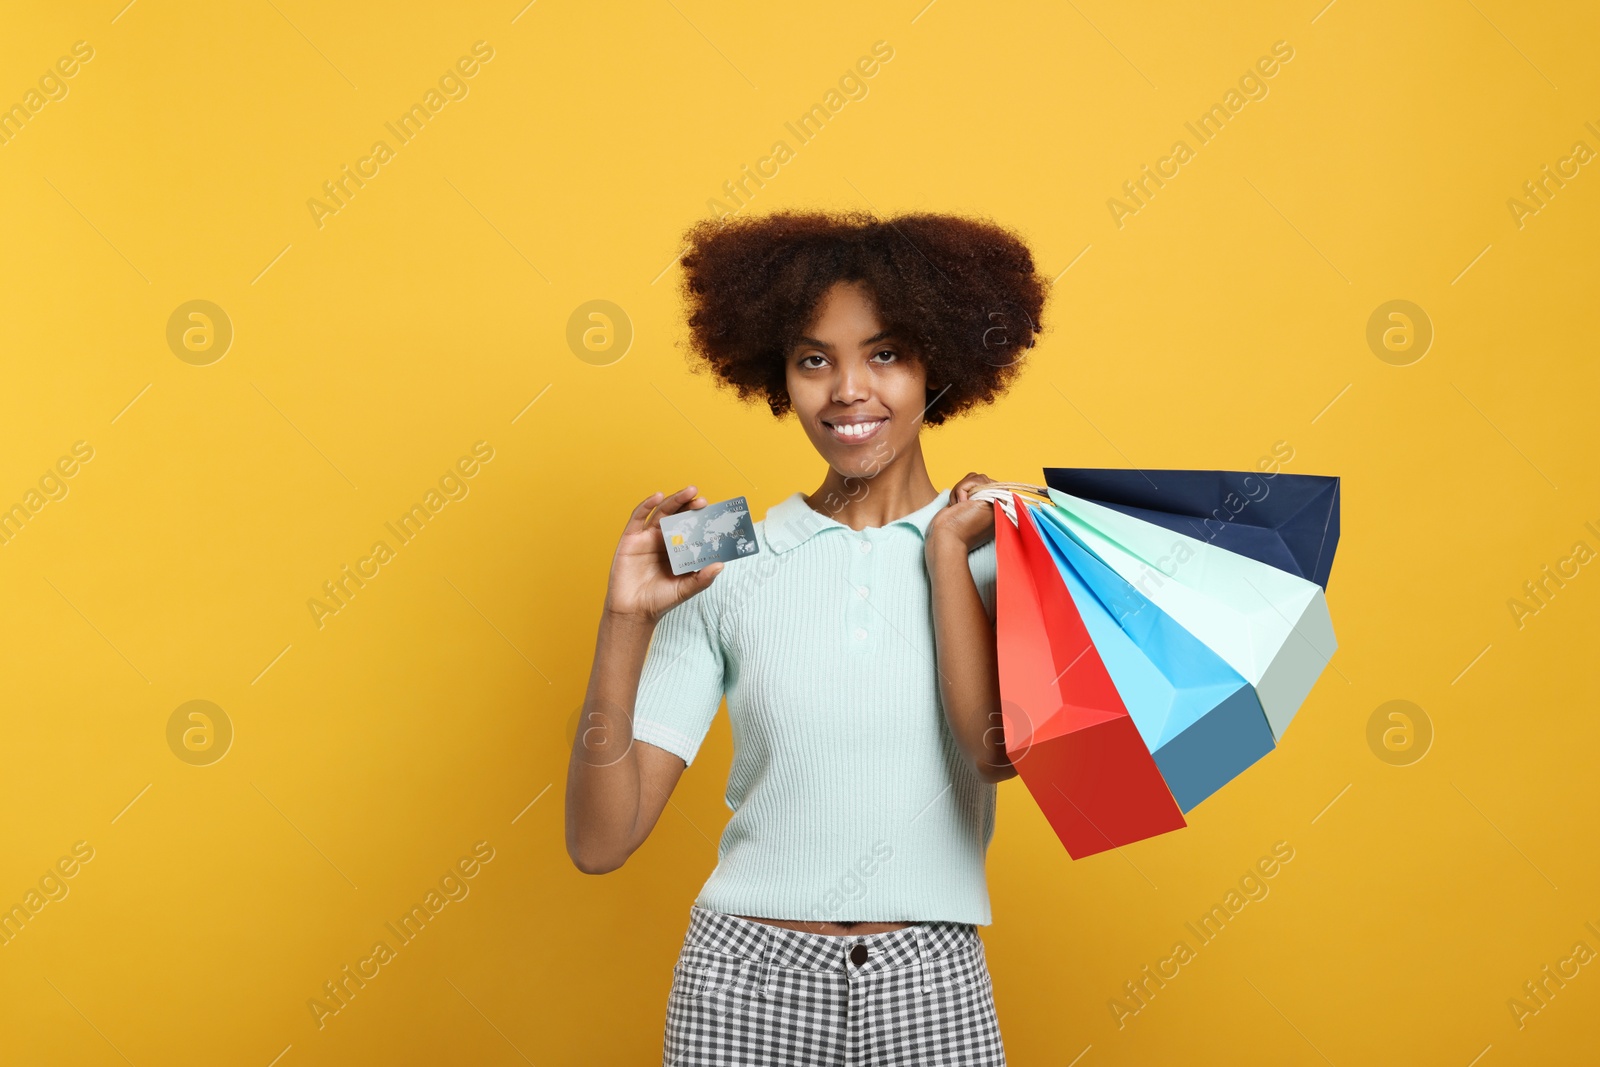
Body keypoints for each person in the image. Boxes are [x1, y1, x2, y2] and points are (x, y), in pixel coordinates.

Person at [565, 209, 1048, 1065]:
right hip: (743, 984)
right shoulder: (724, 551)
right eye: (814, 358)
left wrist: (944, 551)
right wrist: (625, 621)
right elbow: (600, 842)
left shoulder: (995, 545)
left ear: (941, 362)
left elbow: (994, 753)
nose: (848, 389)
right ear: (778, 375)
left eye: (886, 353)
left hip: (928, 985)